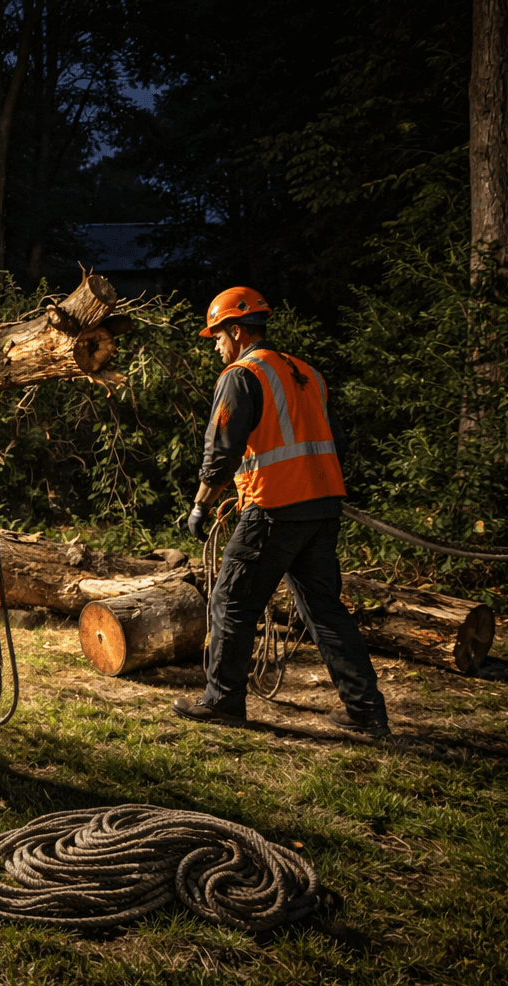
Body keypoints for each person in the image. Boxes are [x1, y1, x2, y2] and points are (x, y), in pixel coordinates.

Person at [173, 286, 392, 738]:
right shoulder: (306, 372)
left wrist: (201, 505)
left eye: (217, 336)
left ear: (236, 331)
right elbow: (333, 443)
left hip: (274, 511)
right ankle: (365, 711)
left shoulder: (241, 374)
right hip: (322, 508)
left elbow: (221, 451)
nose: (215, 346)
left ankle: (223, 701)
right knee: (324, 610)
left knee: (231, 600)